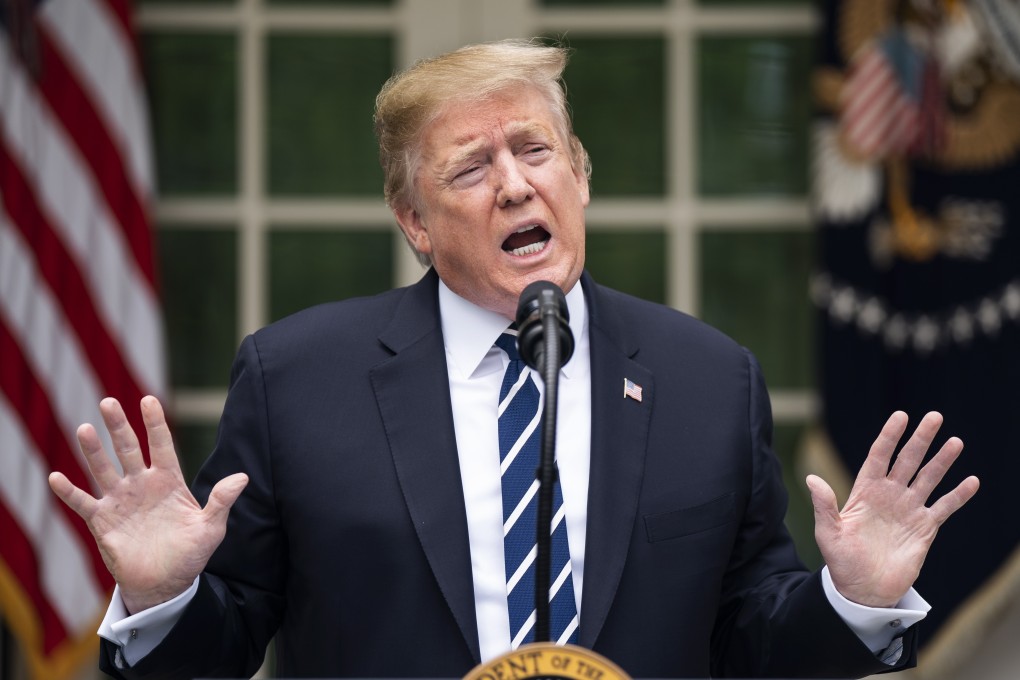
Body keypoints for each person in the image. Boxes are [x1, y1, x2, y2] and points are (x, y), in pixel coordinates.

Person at [48, 39, 979, 679]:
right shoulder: (298, 383)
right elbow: (219, 648)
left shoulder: (707, 380)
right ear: (414, 223)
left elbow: (751, 645)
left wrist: (853, 600)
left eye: (534, 149)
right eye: (468, 168)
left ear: (578, 174)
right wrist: (163, 594)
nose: (513, 184)